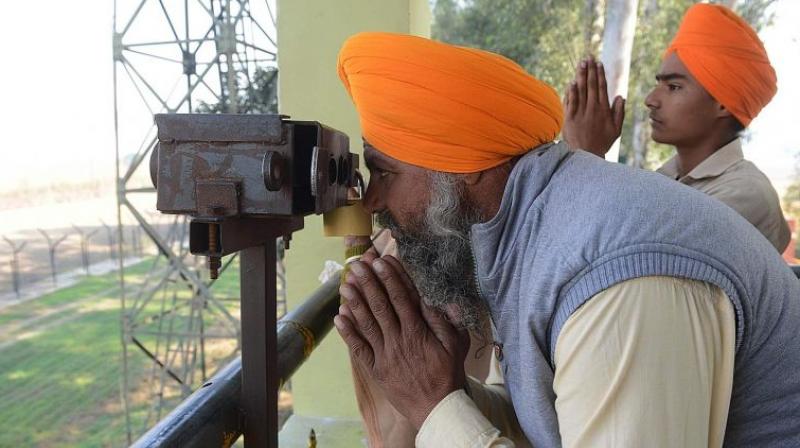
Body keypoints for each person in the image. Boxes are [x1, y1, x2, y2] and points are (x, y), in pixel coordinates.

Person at [334, 31, 800, 447]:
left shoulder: (613, 273)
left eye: (384, 172)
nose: (372, 201)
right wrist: (437, 383)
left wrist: (434, 407)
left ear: (464, 166)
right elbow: (553, 422)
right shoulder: (526, 235)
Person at [563, 3, 790, 253]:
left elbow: (636, 258)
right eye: (658, 84)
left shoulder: (746, 194)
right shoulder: (663, 179)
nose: (651, 99)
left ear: (723, 105)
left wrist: (588, 158)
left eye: (673, 87)